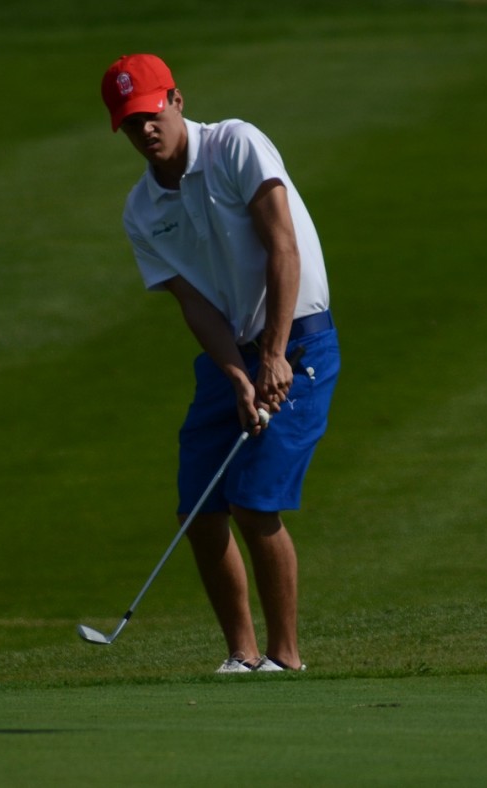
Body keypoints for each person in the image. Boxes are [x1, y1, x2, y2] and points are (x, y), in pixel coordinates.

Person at [101, 54, 339, 673]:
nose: (145, 130)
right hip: (229, 350)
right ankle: (242, 656)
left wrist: (275, 354)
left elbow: (282, 245)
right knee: (199, 510)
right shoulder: (141, 210)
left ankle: (286, 658)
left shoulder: (236, 144)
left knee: (255, 501)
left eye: (151, 114)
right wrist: (235, 372)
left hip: (299, 340)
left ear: (176, 100)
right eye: (130, 124)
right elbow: (193, 303)